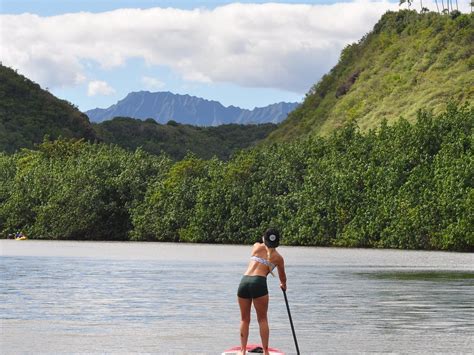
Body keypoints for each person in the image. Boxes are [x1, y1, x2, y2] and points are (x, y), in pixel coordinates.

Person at [237, 228, 287, 355]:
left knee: (244, 319)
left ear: (264, 238)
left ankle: (242, 351)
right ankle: (265, 352)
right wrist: (283, 285)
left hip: (244, 281)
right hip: (258, 283)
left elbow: (260, 242)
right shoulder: (278, 258)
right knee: (262, 319)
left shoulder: (256, 246)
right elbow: (283, 278)